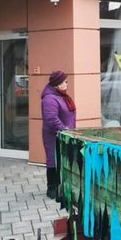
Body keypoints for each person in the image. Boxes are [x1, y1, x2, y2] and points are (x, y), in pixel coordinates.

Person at [40, 71, 76, 202]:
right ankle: (52, 189)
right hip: (54, 136)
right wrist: (64, 129)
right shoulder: (50, 98)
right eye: (64, 81)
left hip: (64, 135)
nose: (66, 83)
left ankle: (61, 187)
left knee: (62, 160)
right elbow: (51, 119)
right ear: (57, 84)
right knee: (53, 160)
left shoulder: (61, 96)